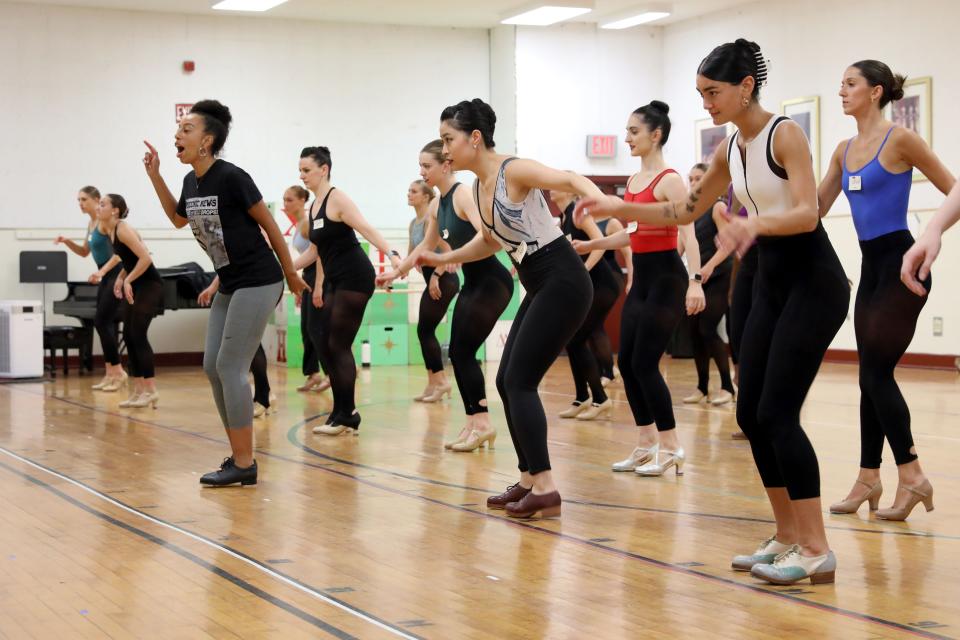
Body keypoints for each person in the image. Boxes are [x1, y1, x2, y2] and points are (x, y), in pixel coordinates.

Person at [575, 40, 849, 585]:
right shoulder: (730, 147)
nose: (706, 103)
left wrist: (755, 225)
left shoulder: (783, 134)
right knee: (751, 416)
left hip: (812, 281)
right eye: (700, 94)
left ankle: (817, 547)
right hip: (768, 276)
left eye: (713, 92)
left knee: (777, 414)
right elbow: (685, 208)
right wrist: (618, 207)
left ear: (746, 85)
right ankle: (787, 535)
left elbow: (807, 212)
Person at [400, 98, 601, 519]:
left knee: (521, 381)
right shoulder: (478, 188)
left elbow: (570, 176)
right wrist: (439, 258)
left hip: (563, 278)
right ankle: (528, 478)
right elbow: (490, 242)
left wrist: (604, 204)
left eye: (448, 139)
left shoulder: (514, 169)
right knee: (507, 379)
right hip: (538, 280)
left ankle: (545, 488)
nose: (445, 148)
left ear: (475, 138)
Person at [142, 99, 308, 486]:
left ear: (207, 140)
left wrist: (290, 275)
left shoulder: (232, 177)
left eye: (186, 129)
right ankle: (238, 456)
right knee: (212, 367)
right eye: (178, 129)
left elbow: (268, 227)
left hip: (260, 279)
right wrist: (155, 176)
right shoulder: (191, 181)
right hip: (230, 282)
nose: (176, 135)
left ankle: (245, 463)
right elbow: (178, 218)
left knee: (231, 367)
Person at [819, 60, 953, 520]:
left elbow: (954, 190)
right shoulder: (842, 151)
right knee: (868, 375)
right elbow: (814, 208)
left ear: (875, 92)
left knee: (876, 375)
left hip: (902, 265)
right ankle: (868, 478)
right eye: (840, 84)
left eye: (849, 83)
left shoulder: (901, 139)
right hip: (870, 268)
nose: (841, 91)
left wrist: (930, 235)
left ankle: (912, 476)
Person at [572, 101, 705, 477]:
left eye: (633, 131)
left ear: (655, 134)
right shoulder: (631, 183)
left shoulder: (671, 180)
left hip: (667, 278)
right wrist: (589, 245)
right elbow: (629, 235)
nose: (626, 138)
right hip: (642, 279)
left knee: (645, 363)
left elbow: (689, 235)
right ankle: (646, 443)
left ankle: (672, 446)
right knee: (627, 363)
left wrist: (695, 282)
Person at [381, 140, 513, 452]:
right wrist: (394, 273)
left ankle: (482, 424)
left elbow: (488, 236)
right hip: (474, 282)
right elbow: (423, 249)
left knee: (463, 351)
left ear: (445, 165)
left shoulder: (463, 194)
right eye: (420, 166)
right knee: (456, 352)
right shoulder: (438, 205)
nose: (422, 172)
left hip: (493, 282)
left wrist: (453, 257)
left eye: (427, 166)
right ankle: (474, 422)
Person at [295, 145, 402, 434]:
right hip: (336, 279)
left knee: (337, 344)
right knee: (325, 342)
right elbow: (314, 251)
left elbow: (366, 229)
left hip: (355, 277)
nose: (302, 175)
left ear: (323, 169)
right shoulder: (315, 206)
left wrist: (391, 253)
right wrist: (286, 267)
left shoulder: (337, 199)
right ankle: (340, 412)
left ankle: (347, 414)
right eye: (300, 170)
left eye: (306, 170)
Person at [549, 189, 618, 420]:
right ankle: (582, 397)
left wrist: (584, 271)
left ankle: (600, 398)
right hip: (588, 286)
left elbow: (600, 243)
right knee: (572, 340)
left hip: (602, 285)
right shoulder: (564, 218)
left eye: (557, 184)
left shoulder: (580, 213)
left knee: (577, 339)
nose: (551, 188)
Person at [55, 186, 126, 389]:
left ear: (96, 200)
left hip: (115, 273)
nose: (80, 203)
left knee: (103, 323)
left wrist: (103, 272)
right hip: (103, 274)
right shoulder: (91, 223)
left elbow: (119, 253)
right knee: (104, 324)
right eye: (78, 200)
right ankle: (111, 373)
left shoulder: (105, 222)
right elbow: (85, 252)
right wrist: (67, 242)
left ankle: (118, 372)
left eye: (84, 199)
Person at [100, 194, 163, 409]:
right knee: (128, 334)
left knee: (137, 334)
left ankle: (151, 390)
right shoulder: (111, 231)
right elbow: (130, 260)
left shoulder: (123, 228)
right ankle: (139, 390)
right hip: (136, 284)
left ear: (115, 210)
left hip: (150, 285)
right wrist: (120, 278)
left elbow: (146, 258)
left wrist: (128, 280)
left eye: (102, 204)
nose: (99, 208)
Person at [683, 163, 735, 406]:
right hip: (696, 280)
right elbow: (680, 246)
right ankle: (702, 388)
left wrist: (710, 265)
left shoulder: (718, 207)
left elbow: (729, 243)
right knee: (694, 332)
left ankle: (727, 387)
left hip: (717, 277)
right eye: (690, 179)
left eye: (698, 179)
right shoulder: (689, 212)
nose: (693, 183)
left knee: (707, 328)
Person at [406, 178, 459, 403]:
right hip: (431, 279)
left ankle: (442, 382)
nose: (409, 194)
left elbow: (449, 251)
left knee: (425, 331)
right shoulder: (413, 223)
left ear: (426, 196)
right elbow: (413, 251)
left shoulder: (431, 219)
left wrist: (436, 276)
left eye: (414, 191)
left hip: (444, 278)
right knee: (424, 331)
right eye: (409, 190)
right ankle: (432, 382)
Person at [197, 275, 276, 418]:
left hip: (256, 285)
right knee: (249, 344)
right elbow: (228, 263)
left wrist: (291, 273)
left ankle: (263, 396)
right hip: (235, 287)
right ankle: (265, 394)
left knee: (248, 344)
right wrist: (213, 287)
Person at [284, 185, 329, 393]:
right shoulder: (299, 225)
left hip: (319, 276)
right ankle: (313, 374)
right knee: (306, 328)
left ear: (302, 200)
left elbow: (319, 253)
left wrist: (318, 284)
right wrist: (300, 285)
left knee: (317, 328)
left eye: (290, 199)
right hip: (308, 277)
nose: (286, 204)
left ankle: (331, 373)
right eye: (284, 200)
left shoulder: (307, 224)